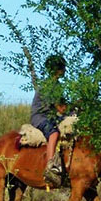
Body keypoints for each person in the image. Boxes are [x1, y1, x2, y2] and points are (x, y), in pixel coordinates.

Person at [31, 54, 69, 185]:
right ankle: (50, 167)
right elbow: (61, 108)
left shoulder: (57, 85)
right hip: (40, 117)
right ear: (57, 69)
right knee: (54, 133)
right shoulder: (50, 86)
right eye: (63, 67)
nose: (65, 70)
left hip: (51, 117)